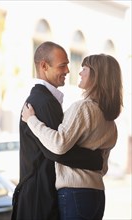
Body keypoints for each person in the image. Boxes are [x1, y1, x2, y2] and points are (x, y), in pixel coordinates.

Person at [22, 53, 123, 220]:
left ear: (96, 75)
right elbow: (102, 166)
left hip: (75, 193)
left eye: (84, 69)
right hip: (97, 193)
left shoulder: (83, 108)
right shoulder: (110, 120)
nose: (79, 72)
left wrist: (31, 120)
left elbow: (59, 144)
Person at [11, 42, 103, 220]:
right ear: (44, 66)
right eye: (62, 65)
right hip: (39, 199)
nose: (68, 70)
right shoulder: (42, 101)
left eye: (68, 64)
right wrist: (96, 159)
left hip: (40, 195)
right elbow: (58, 150)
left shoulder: (47, 99)